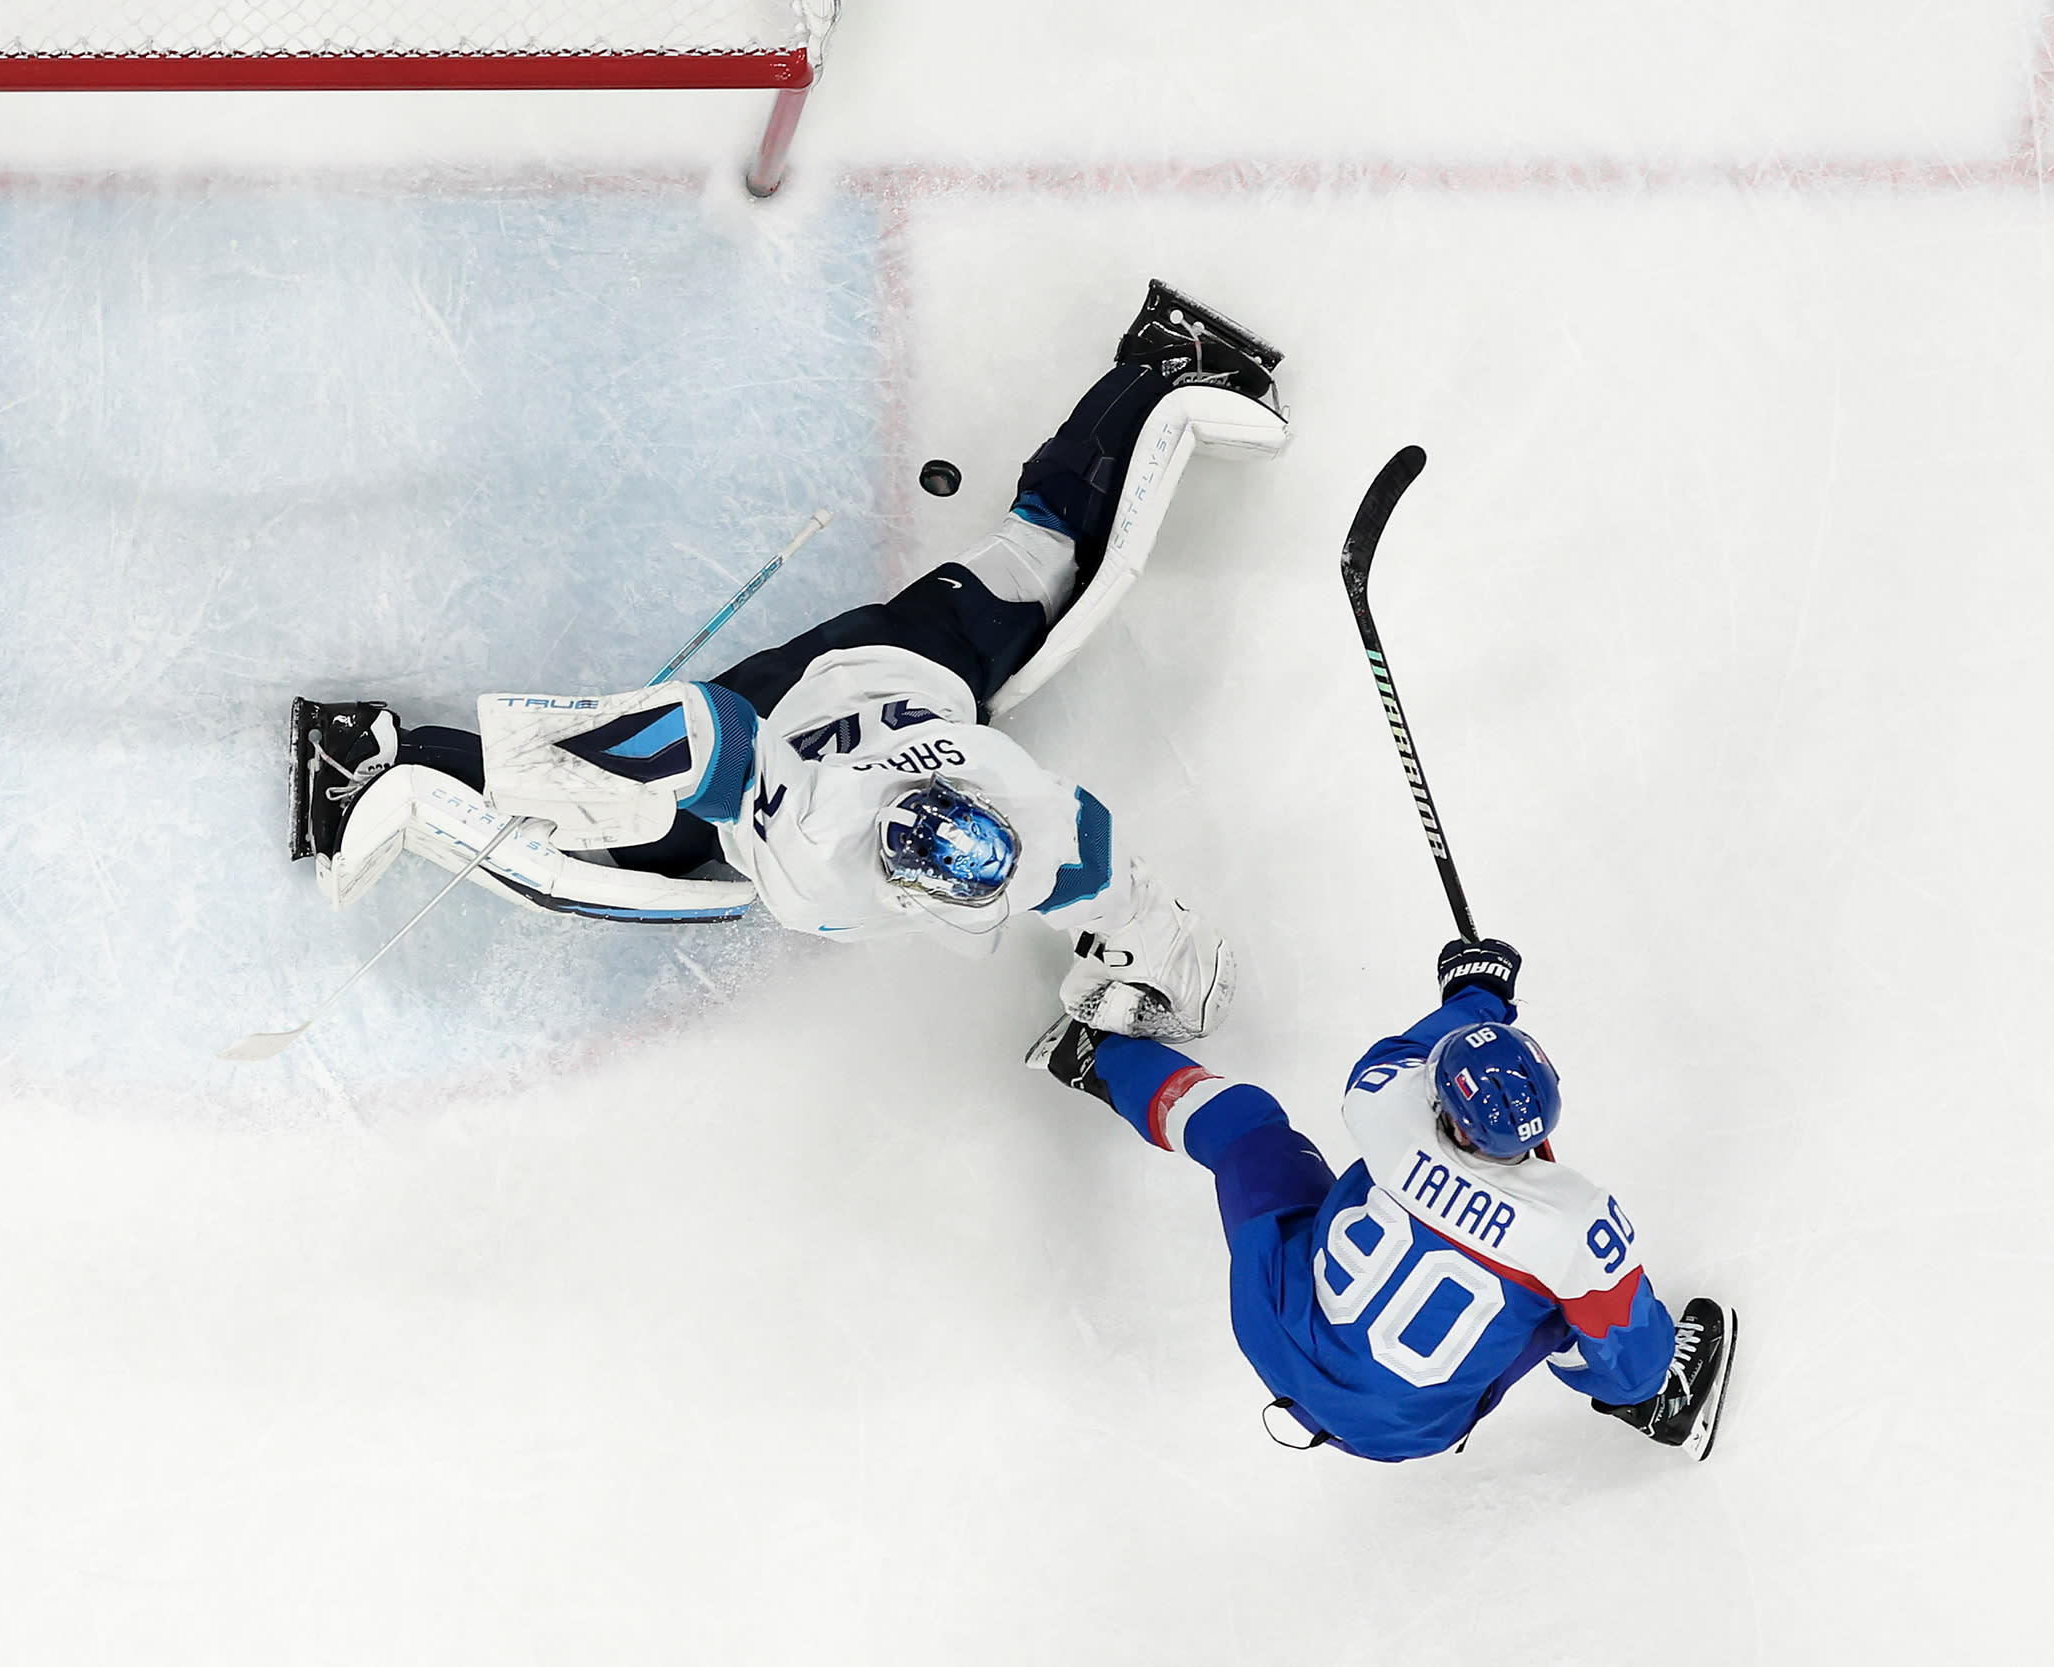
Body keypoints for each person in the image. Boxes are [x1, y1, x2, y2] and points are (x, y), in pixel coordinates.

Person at [287, 281, 1291, 1040]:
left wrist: (1153, 948)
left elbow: (1108, 879)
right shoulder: (816, 843)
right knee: (631, 844)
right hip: (831, 693)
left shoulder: (1028, 826)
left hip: (884, 671)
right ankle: (373, 756)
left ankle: (1160, 364)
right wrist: (558, 749)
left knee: (1036, 558)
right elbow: (700, 737)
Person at [1027, 936, 1738, 1459]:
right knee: (1583, 1308)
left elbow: (1411, 1052)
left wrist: (1474, 994)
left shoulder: (1387, 1104)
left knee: (1244, 1134)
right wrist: (1640, 1370)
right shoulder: (1575, 1224)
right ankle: (1657, 1407)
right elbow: (1629, 1342)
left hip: (1276, 1322)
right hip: (1397, 1423)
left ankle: (1098, 1055)